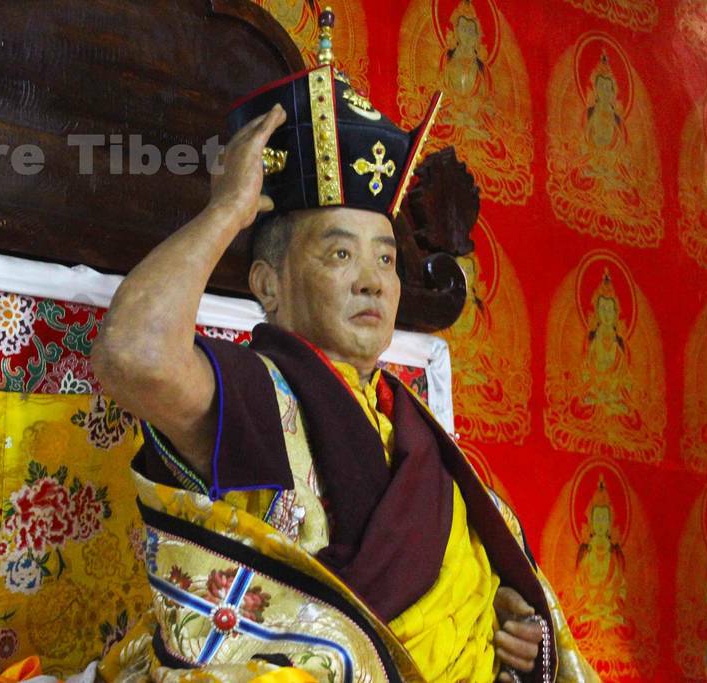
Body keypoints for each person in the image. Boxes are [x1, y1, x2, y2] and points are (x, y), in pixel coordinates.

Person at [91, 9, 595, 683]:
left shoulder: (419, 435)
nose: (373, 282)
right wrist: (225, 214)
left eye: (386, 260)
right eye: (338, 252)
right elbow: (132, 357)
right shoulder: (254, 392)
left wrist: (515, 639)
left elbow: (476, 609)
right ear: (269, 284)